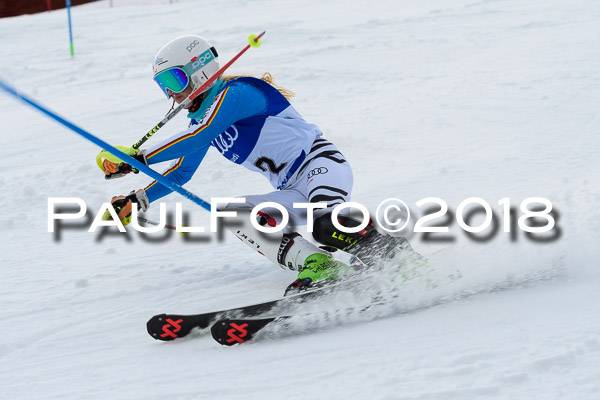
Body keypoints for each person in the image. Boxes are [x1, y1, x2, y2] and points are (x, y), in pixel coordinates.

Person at [101, 35, 412, 294]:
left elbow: (198, 137)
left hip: (320, 166)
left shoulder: (238, 93)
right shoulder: (200, 119)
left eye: (174, 79)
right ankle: (318, 266)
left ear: (199, 71)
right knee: (233, 214)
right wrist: (138, 198)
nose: (171, 92)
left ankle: (400, 261)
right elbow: (182, 171)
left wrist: (137, 159)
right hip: (289, 189)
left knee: (327, 225)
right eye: (163, 85)